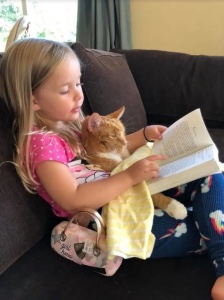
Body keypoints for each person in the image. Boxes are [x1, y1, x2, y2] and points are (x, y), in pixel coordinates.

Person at [0, 38, 224, 300]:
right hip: (106, 217)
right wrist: (130, 176)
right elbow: (72, 199)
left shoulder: (70, 125)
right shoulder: (41, 143)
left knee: (208, 172)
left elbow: (110, 151)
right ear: (33, 100)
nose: (78, 94)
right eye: (65, 90)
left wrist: (145, 134)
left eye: (79, 83)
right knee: (194, 225)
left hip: (128, 191)